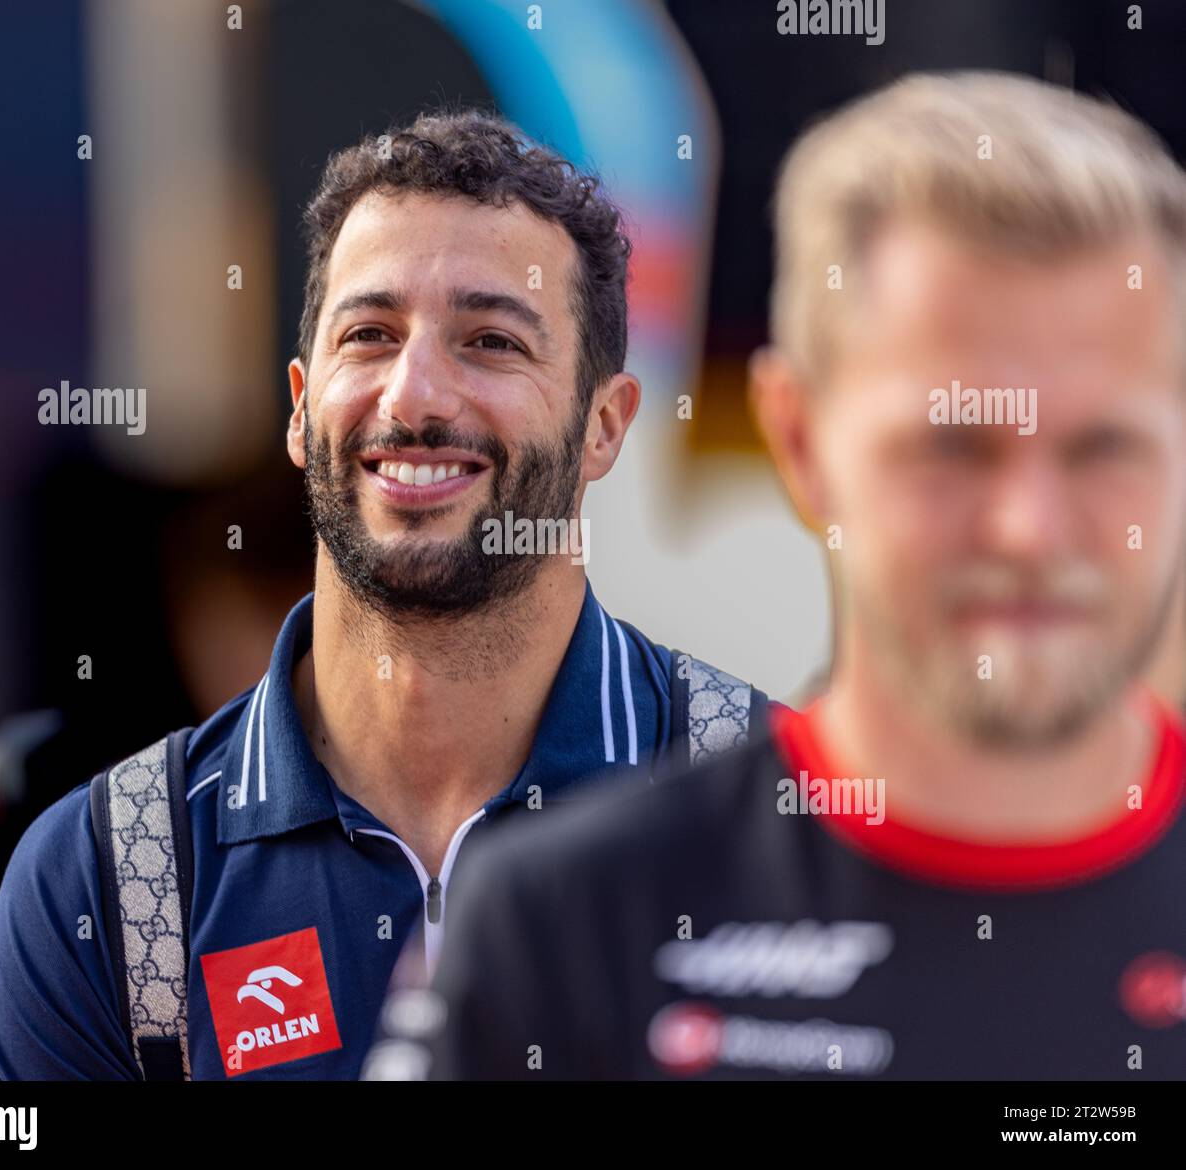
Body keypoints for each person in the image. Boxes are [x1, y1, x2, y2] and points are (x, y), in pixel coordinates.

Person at [395, 72, 1186, 1080]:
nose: (1027, 529)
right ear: (799, 439)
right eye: (952, 447)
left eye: (1100, 447)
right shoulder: (559, 930)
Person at [0, 109, 765, 1081]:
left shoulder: (777, 819)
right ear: (301, 408)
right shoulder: (109, 874)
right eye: (372, 333)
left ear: (604, 424)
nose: (413, 397)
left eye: (490, 342)